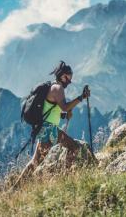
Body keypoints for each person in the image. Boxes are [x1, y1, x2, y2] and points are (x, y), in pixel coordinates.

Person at [10, 61, 91, 189]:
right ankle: (65, 180)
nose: (68, 82)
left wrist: (64, 116)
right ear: (61, 75)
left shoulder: (52, 87)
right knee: (72, 148)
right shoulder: (57, 88)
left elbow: (54, 111)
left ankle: (14, 188)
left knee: (36, 161)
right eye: (67, 78)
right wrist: (81, 97)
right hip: (49, 130)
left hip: (47, 127)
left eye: (70, 79)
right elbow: (64, 107)